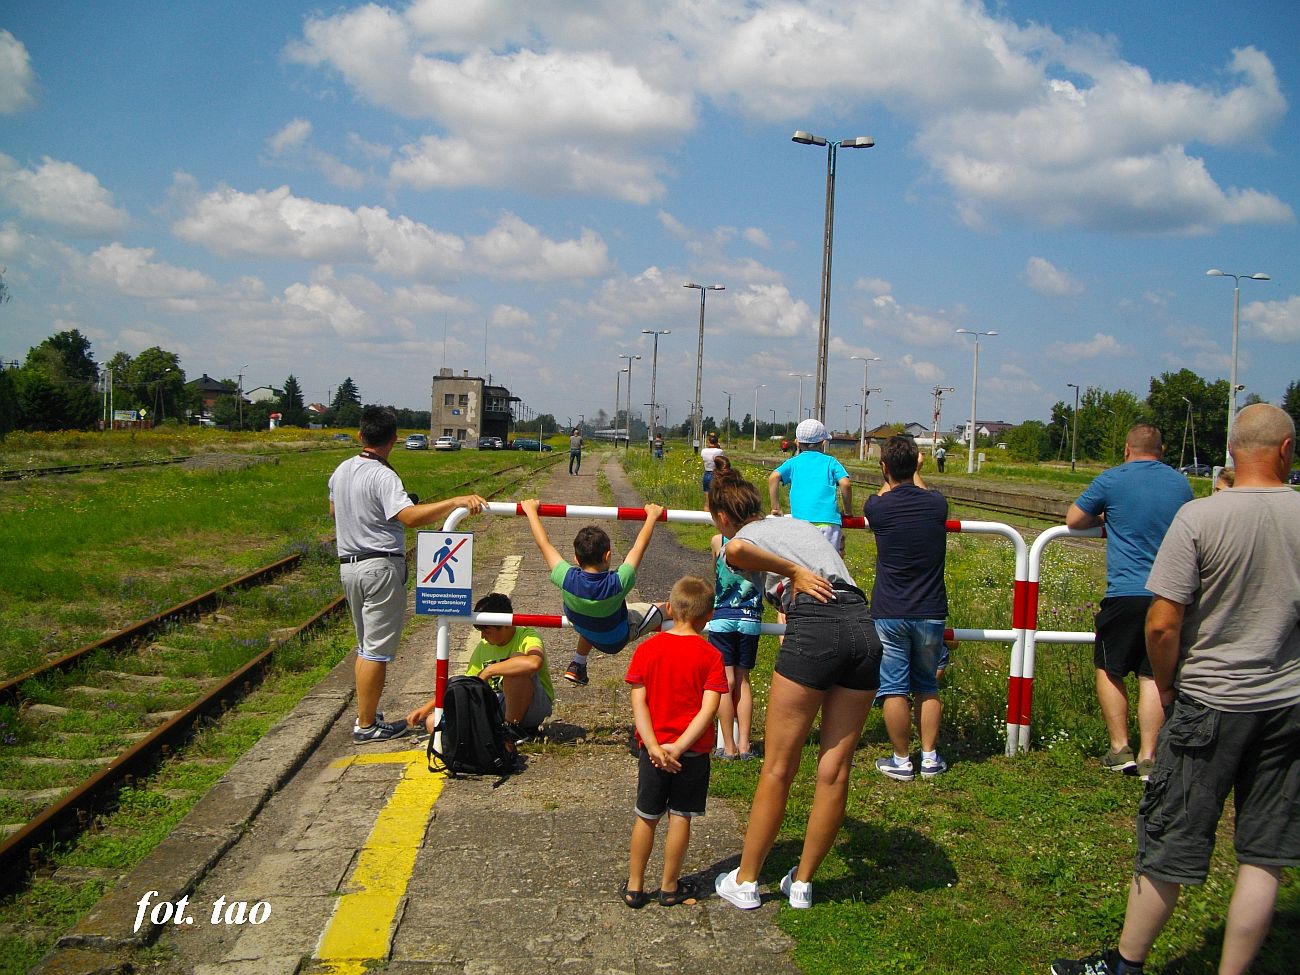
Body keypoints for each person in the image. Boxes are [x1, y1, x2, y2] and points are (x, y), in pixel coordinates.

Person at [1051, 403, 1300, 975]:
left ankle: (1125, 964)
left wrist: (1166, 684)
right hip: (1285, 708)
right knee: (1263, 857)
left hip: (1210, 699)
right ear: (1286, 450)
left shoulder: (1202, 519)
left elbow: (1162, 623)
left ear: (1233, 451)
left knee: (1170, 838)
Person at [708, 474, 881, 911]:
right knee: (835, 769)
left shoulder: (744, 535)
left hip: (816, 625)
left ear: (724, 516)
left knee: (778, 768)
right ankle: (802, 883)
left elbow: (736, 551)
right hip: (863, 626)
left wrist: (791, 572)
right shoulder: (798, 525)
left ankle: (746, 881)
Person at [329, 406, 486, 744]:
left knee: (364, 646)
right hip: (380, 566)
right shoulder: (383, 475)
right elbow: (410, 517)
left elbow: (333, 508)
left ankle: (365, 716)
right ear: (394, 439)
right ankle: (367, 725)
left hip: (349, 566)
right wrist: (454, 502)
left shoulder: (341, 470)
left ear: (360, 435)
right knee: (375, 650)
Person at [1066, 423, 1192, 779]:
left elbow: (1074, 519)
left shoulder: (1112, 480)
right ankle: (1149, 754)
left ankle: (1120, 748)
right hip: (1167, 594)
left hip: (1125, 592)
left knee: (1110, 667)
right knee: (1152, 675)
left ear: (1126, 449)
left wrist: (1108, 516)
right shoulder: (1180, 484)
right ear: (1162, 450)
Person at [621, 576, 730, 909]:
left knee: (646, 816)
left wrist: (654, 746)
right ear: (708, 615)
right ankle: (670, 887)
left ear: (669, 608)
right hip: (691, 754)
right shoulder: (711, 656)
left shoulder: (647, 649)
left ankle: (635, 887)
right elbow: (709, 708)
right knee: (680, 817)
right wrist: (679, 748)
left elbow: (638, 702)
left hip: (652, 752)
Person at [867, 436, 951, 781]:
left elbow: (887, 493)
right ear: (918, 463)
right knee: (927, 686)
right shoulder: (937, 505)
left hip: (890, 609)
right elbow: (925, 494)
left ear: (884, 468)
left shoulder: (878, 507)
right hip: (930, 608)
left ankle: (902, 761)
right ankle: (929, 758)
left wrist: (895, 475)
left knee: (894, 688)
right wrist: (916, 472)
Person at [520, 497, 665, 687]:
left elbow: (544, 544)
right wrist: (652, 516)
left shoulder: (567, 577)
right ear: (608, 556)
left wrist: (531, 511)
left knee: (593, 614)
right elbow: (639, 547)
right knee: (668, 608)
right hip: (617, 638)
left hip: (585, 626)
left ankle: (577, 664)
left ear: (575, 559)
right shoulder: (618, 582)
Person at [406, 592, 554, 741]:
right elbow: (467, 683)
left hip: (532, 705)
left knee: (517, 663)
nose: (483, 636)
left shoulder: (527, 636)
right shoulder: (483, 646)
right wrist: (429, 707)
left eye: (487, 631)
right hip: (496, 703)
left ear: (506, 626)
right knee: (433, 723)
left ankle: (511, 730)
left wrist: (490, 670)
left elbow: (533, 662)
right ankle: (484, 737)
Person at [705, 457, 761, 760]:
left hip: (723, 617)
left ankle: (726, 745)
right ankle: (745, 745)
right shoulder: (759, 540)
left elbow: (715, 570)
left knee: (723, 681)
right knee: (743, 681)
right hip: (751, 617)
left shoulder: (718, 540)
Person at [768, 418, 853, 555]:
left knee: (803, 566)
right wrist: (847, 511)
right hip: (828, 523)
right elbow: (845, 483)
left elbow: (773, 477)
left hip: (801, 523)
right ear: (823, 442)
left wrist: (776, 507)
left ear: (797, 442)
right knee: (829, 567)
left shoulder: (793, 462)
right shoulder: (831, 462)